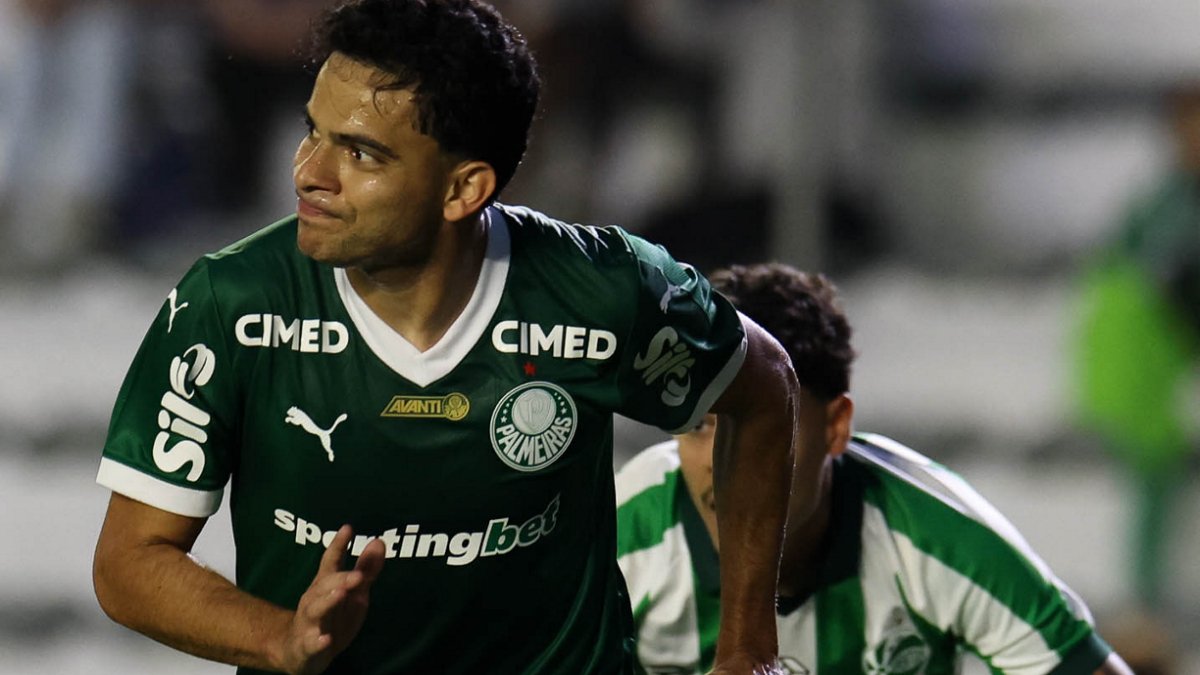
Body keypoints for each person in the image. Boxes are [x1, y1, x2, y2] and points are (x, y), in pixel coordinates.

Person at [90, 2, 800, 674]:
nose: (309, 173)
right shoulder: (233, 303)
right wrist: (279, 638)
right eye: (313, 131)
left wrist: (748, 648)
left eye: (361, 154)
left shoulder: (604, 291)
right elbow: (129, 559)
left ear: (464, 189)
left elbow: (763, 386)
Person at [617, 263, 1133, 675]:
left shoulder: (938, 533)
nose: (723, 463)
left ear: (836, 426)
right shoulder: (621, 532)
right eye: (701, 427)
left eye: (764, 431)